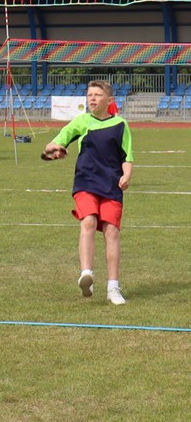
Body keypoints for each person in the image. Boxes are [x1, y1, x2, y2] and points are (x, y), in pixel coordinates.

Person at [43, 79, 133, 305]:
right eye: (90, 94)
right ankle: (86, 275)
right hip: (86, 181)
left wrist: (127, 175)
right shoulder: (80, 122)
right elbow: (53, 144)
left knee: (112, 232)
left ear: (109, 100)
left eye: (97, 95)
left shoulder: (121, 124)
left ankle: (113, 288)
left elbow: (127, 156)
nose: (92, 98)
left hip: (111, 184)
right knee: (89, 221)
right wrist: (53, 150)